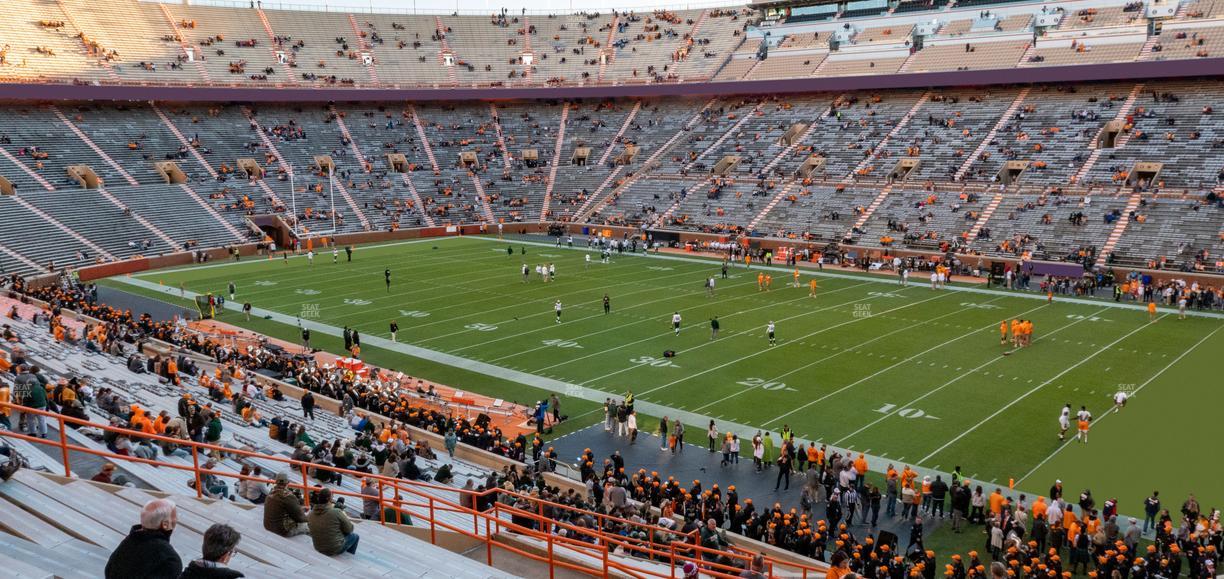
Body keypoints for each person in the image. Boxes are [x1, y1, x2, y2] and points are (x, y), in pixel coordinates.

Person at [104, 498, 182, 579]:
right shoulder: (169, 559)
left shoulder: (129, 541)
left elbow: (108, 571)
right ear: (165, 525)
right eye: (175, 517)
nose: (177, 520)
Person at [307, 488, 359, 556]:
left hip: (318, 547)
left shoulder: (310, 514)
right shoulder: (336, 512)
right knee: (354, 536)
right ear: (329, 498)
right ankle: (349, 557)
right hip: (333, 548)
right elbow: (350, 529)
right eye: (332, 496)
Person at [263, 472, 308, 537]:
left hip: (268, 526)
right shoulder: (288, 496)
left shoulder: (270, 493)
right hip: (281, 530)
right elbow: (300, 518)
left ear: (276, 482)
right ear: (287, 483)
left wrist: (301, 509)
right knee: (305, 525)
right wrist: (309, 517)